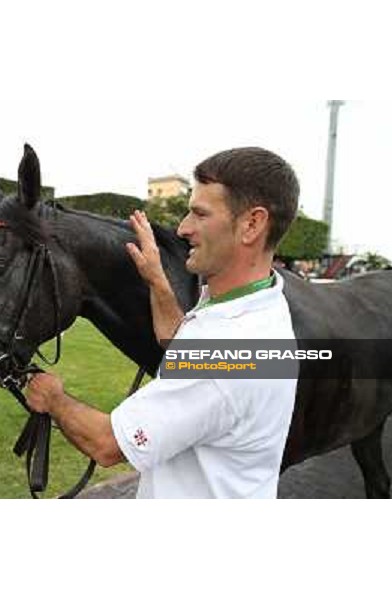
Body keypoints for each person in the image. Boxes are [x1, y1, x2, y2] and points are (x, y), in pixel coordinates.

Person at [25, 147, 300, 499]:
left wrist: (53, 397)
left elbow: (107, 444)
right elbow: (180, 344)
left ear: (251, 224)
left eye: (200, 214)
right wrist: (157, 280)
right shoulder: (258, 304)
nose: (183, 228)